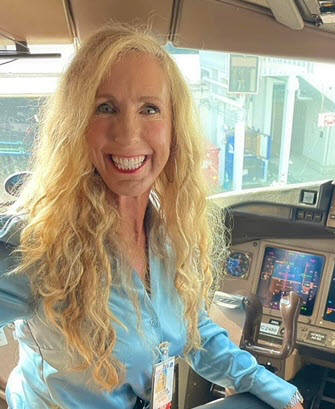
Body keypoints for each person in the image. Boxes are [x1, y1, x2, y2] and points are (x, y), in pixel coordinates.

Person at [0, 25, 303, 409]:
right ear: (76, 124)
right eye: (105, 107)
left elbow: (194, 331)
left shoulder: (169, 233)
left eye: (149, 109)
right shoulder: (37, 244)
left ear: (174, 128)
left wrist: (275, 388)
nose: (128, 133)